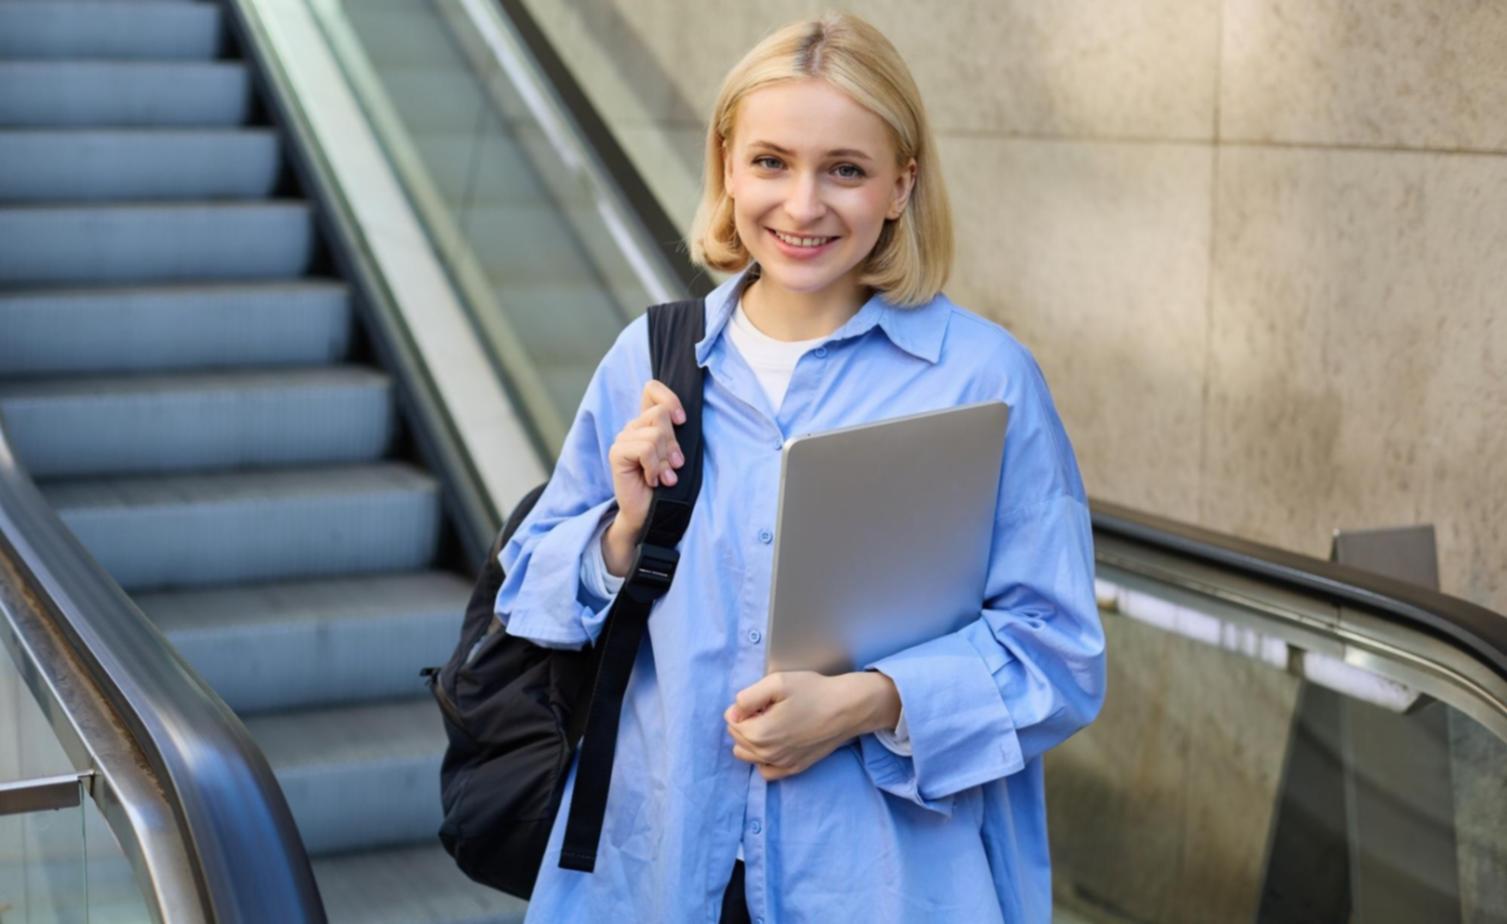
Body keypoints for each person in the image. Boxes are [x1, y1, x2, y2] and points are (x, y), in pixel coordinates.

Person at [494, 11, 1106, 923]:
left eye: (846, 170)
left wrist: (866, 704)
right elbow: (529, 597)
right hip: (654, 874)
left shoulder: (985, 381)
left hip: (885, 886)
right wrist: (620, 532)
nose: (803, 205)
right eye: (772, 162)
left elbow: (1058, 657)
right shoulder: (653, 357)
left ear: (901, 185)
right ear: (728, 165)